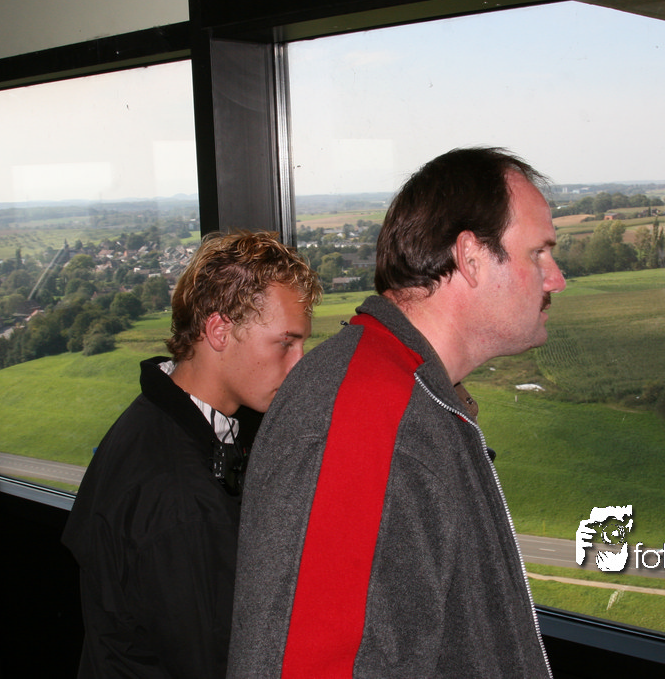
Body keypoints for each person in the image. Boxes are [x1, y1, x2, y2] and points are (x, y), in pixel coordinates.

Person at [228, 147, 565, 678]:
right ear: (471, 257)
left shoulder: (413, 393)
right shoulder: (370, 420)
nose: (556, 279)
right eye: (538, 254)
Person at [62, 230, 322, 679]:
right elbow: (220, 662)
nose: (299, 364)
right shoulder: (180, 498)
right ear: (220, 331)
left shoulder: (156, 420)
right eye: (286, 342)